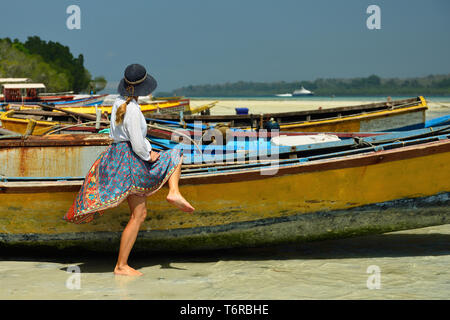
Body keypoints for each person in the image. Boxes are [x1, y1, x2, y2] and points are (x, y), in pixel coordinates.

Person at [64, 64, 195, 276]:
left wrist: (145, 149)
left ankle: (122, 265)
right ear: (143, 88)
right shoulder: (133, 109)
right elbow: (137, 142)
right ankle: (173, 192)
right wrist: (149, 154)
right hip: (131, 161)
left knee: (139, 214)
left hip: (117, 158)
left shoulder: (118, 103)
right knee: (176, 153)